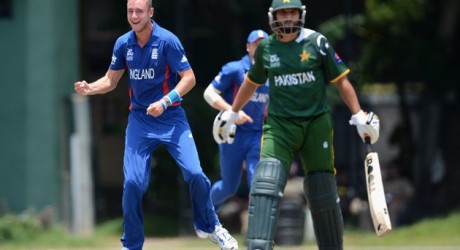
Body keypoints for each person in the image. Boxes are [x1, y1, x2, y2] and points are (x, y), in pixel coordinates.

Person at [213, 0, 380, 249]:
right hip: (279, 126)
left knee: (322, 188)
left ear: (300, 15)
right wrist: (233, 112)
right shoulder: (267, 48)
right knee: (264, 183)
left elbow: (341, 80)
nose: (288, 18)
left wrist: (358, 115)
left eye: (292, 13)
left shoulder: (317, 42)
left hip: (316, 124)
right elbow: (251, 82)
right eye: (283, 13)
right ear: (273, 17)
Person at [74, 0, 238, 249]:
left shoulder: (167, 40)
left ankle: (209, 225)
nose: (134, 16)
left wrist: (166, 100)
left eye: (139, 11)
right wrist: (90, 89)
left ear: (150, 13)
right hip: (140, 120)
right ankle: (131, 244)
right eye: (130, 11)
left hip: (171, 117)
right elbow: (110, 80)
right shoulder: (123, 44)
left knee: (195, 173)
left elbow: (189, 78)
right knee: (132, 184)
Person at [203, 29, 269, 214]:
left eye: (264, 44)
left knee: (258, 184)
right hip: (232, 133)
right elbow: (208, 93)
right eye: (256, 44)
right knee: (228, 188)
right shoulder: (234, 69)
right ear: (248, 47)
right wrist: (232, 111)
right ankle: (205, 212)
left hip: (257, 135)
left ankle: (258, 233)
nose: (261, 48)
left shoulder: (273, 71)